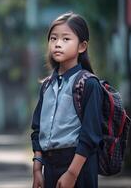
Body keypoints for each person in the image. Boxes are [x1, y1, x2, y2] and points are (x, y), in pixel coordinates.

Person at [30, 12, 103, 188]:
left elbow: (90, 135)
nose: (57, 44)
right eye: (53, 39)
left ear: (82, 46)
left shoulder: (89, 84)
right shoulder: (46, 86)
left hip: (79, 166)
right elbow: (37, 129)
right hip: (49, 167)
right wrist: (37, 169)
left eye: (65, 39)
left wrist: (72, 173)